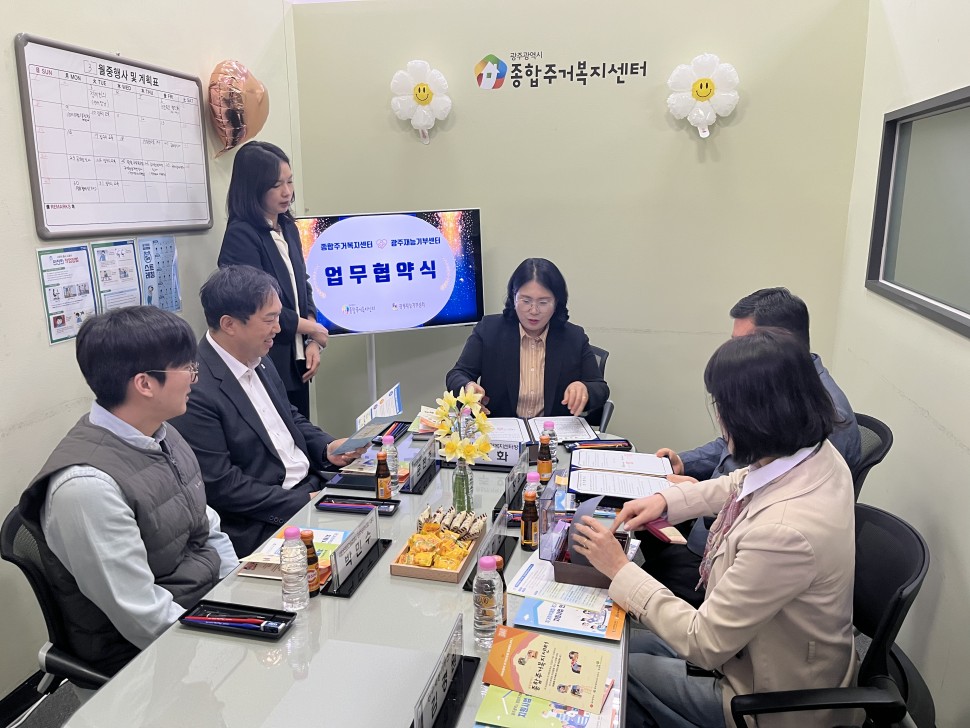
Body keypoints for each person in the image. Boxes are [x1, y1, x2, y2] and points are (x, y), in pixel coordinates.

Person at [574, 329, 859, 728]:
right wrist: (666, 501)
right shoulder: (815, 453)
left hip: (765, 696)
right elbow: (741, 482)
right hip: (758, 649)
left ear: (754, 418)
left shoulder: (784, 533)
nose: (720, 419)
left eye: (723, 407)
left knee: (609, 669)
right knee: (617, 639)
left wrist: (620, 569)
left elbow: (702, 642)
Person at [19, 307, 237, 677]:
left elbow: (206, 523)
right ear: (145, 384)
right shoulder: (86, 489)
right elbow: (142, 615)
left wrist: (239, 589)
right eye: (187, 367)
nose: (193, 377)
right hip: (147, 656)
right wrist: (225, 638)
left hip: (202, 604)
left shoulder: (160, 431)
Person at [648, 286, 862, 606]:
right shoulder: (787, 391)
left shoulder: (825, 419)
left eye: (744, 342)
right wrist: (684, 464)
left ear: (779, 343)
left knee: (636, 568)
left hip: (737, 552)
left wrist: (621, 571)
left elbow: (763, 500)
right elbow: (739, 465)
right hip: (717, 532)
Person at [170, 265, 362, 557]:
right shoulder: (196, 388)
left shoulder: (258, 356)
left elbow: (289, 417)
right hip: (265, 519)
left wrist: (327, 447)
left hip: (312, 485)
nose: (279, 328)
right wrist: (307, 502)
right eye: (269, 319)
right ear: (229, 324)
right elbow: (223, 485)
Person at [218, 140, 329, 418]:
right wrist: (312, 328)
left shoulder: (288, 227)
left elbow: (302, 286)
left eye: (290, 181)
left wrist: (312, 339)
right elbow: (254, 305)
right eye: (276, 185)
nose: (287, 192)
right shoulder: (241, 235)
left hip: (297, 361)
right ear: (253, 188)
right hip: (266, 360)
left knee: (302, 433)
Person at [446, 258, 608, 418]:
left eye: (543, 302)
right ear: (514, 298)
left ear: (556, 303)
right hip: (501, 430)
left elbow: (600, 388)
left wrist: (585, 389)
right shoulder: (489, 330)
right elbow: (457, 374)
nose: (534, 310)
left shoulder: (574, 337)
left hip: (552, 432)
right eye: (526, 301)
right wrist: (467, 386)